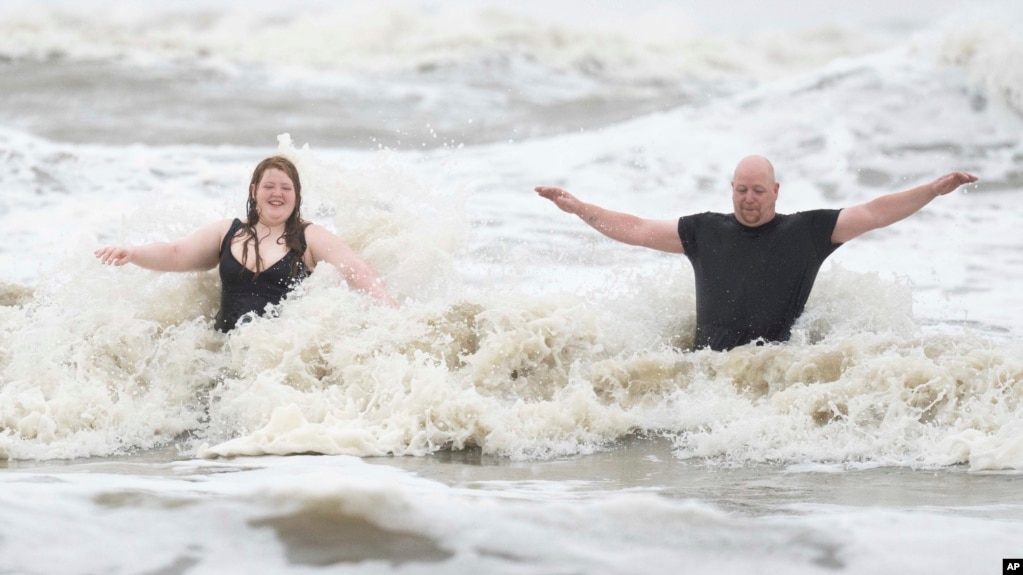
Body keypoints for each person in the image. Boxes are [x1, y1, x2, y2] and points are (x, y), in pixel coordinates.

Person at [536, 155, 978, 351]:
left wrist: (933, 190)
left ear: (775, 191)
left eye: (759, 190)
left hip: (772, 376)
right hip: (706, 377)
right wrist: (579, 209)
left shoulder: (808, 232)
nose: (749, 199)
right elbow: (635, 229)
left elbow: (875, 212)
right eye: (742, 190)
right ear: (732, 189)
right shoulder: (702, 230)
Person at [95, 155, 397, 331]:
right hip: (223, 356)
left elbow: (356, 268)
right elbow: (176, 253)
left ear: (296, 194)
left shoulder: (309, 237)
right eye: (269, 186)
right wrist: (132, 253)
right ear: (254, 191)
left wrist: (390, 312)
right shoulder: (228, 232)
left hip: (278, 361)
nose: (277, 193)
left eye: (285, 188)